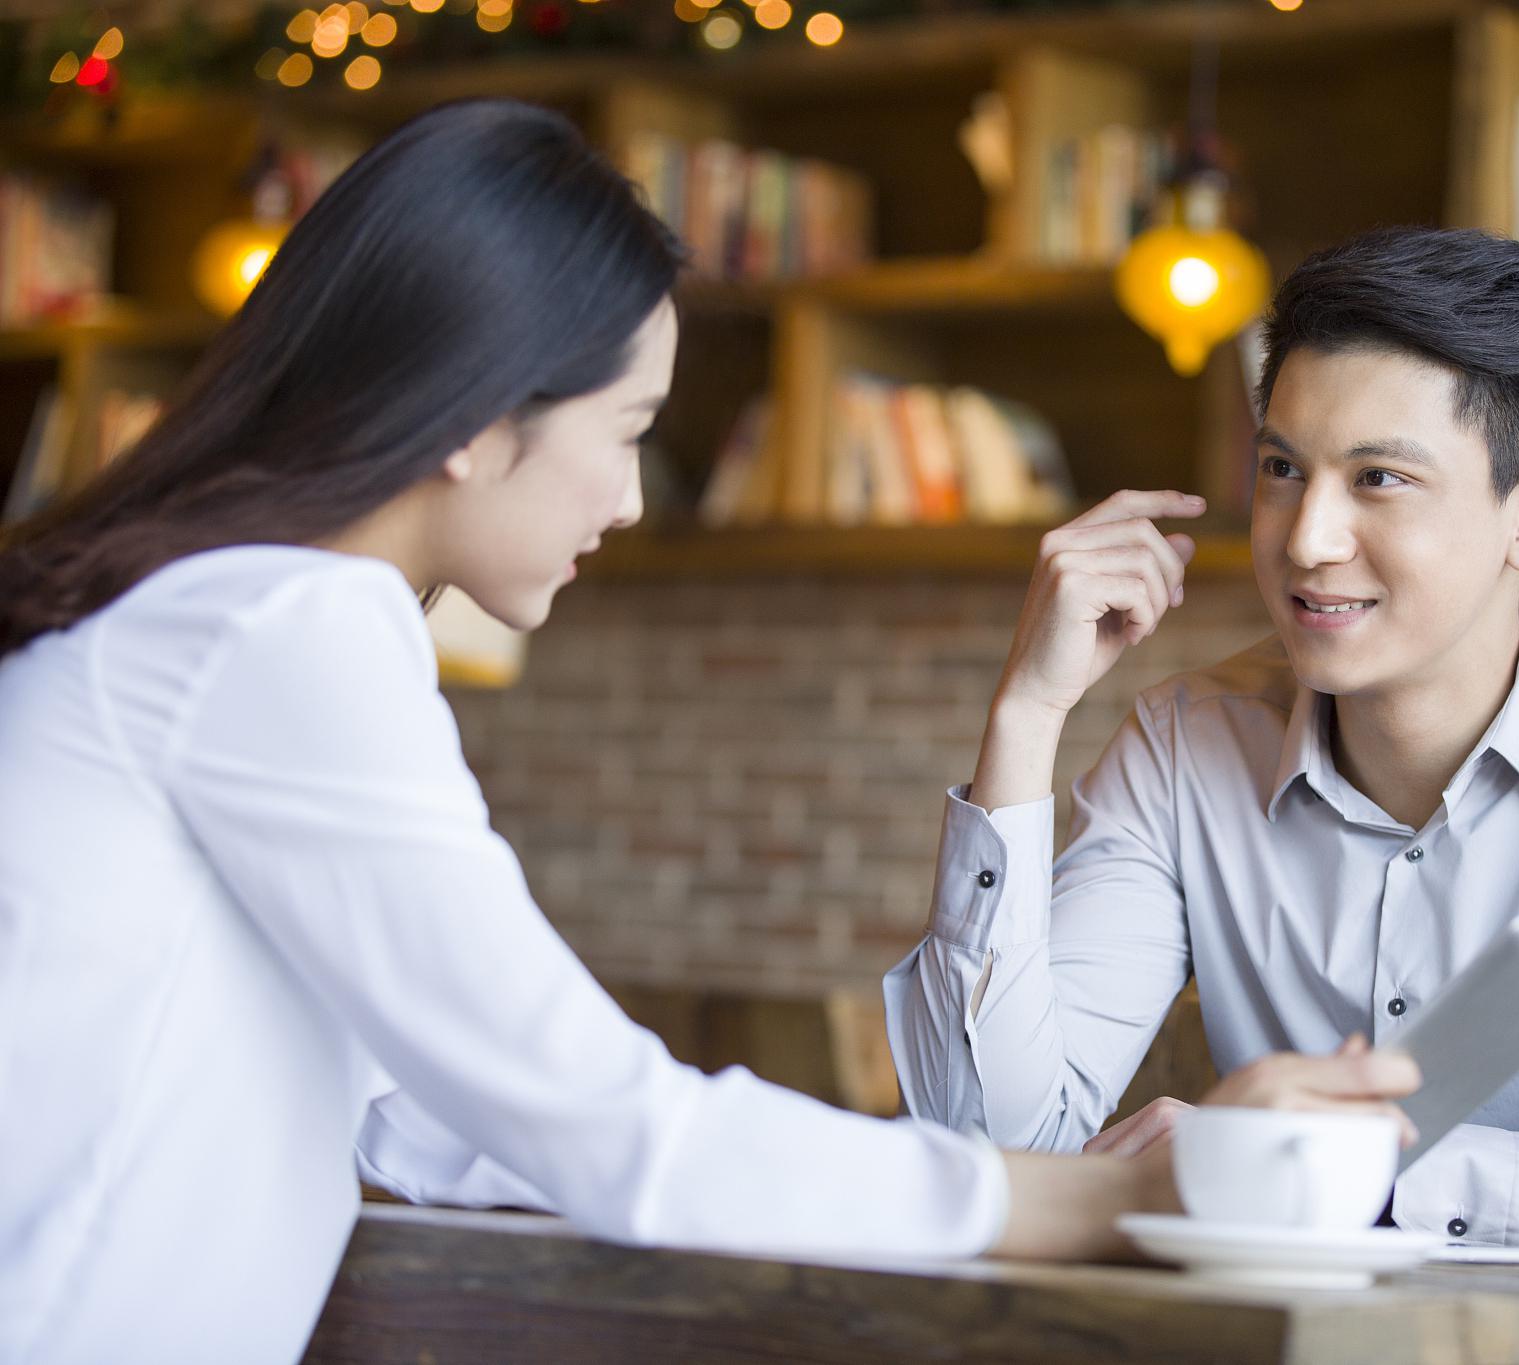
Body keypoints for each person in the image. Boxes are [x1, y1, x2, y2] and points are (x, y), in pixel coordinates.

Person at [0, 103, 1419, 1365]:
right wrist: (1103, 1197)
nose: (628, 499)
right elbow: (605, 1126)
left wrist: (940, 1178)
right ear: (475, 419)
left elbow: (442, 1121)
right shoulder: (280, 629)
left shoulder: (207, 619)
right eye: (626, 430)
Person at [885, 226, 1519, 1268]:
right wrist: (1027, 716)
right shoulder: (1185, 747)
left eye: (1378, 479)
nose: (1305, 539)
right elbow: (985, 1156)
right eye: (1280, 468)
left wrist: (1342, 1179)